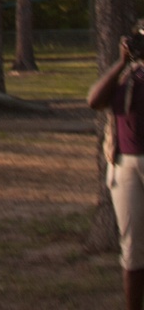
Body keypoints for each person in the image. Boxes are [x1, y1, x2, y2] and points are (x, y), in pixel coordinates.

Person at [88, 24, 144, 310]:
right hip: (125, 165)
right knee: (133, 252)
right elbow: (94, 100)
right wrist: (122, 61)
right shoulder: (127, 75)